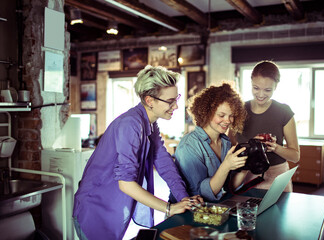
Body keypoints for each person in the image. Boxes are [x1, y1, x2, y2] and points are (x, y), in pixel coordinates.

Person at [73, 65, 202, 240]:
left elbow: (164, 164)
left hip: (113, 204)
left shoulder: (150, 123)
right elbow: (125, 183)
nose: (176, 106)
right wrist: (169, 208)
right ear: (150, 100)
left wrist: (185, 199)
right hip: (95, 207)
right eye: (170, 101)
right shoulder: (130, 124)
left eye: (176, 98)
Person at [172, 83, 248, 202]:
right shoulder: (189, 146)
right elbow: (200, 195)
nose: (228, 121)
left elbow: (228, 187)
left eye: (232, 116)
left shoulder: (225, 142)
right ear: (206, 112)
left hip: (215, 209)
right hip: (188, 213)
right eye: (221, 115)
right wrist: (226, 166)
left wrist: (245, 167)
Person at [232, 60, 300, 192]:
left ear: (276, 86)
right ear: (251, 82)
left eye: (267, 90)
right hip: (248, 177)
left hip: (278, 178)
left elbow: (295, 156)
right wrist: (252, 147)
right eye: (256, 88)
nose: (261, 95)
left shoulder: (284, 111)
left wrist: (275, 147)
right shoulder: (239, 110)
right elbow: (230, 147)